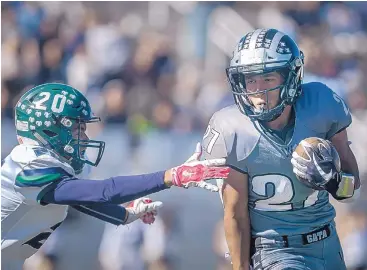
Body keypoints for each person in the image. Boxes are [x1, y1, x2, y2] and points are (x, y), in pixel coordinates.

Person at [1, 83, 230, 270]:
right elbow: (103, 191)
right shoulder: (32, 166)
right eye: (77, 128)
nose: (84, 137)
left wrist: (126, 215)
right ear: (49, 128)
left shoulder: (45, 165)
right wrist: (170, 176)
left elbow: (84, 200)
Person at [202, 28, 361, 270]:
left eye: (268, 78)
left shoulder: (321, 104)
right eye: (251, 79)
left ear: (290, 77)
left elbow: (352, 189)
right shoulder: (232, 128)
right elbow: (235, 214)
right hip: (273, 250)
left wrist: (332, 179)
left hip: (326, 243)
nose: (258, 89)